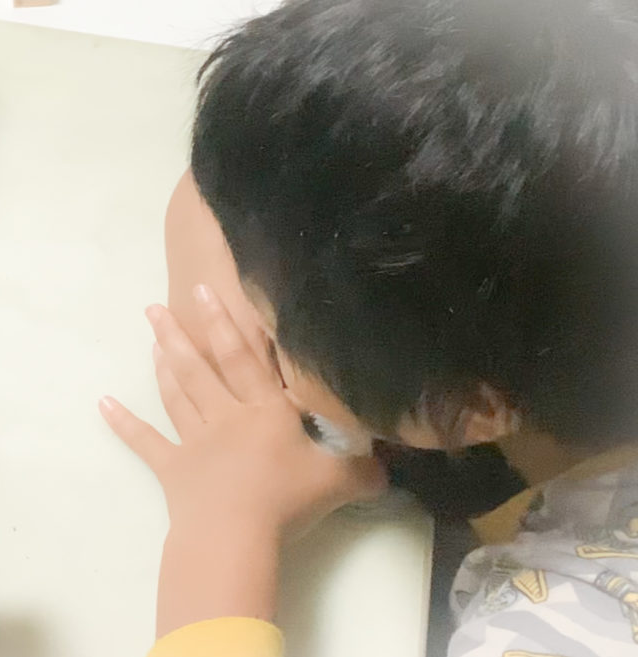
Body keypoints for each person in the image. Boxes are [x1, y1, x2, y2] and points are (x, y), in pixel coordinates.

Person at [99, 0, 638, 655]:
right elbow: (304, 153)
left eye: (275, 331)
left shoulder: (567, 624)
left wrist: (226, 525)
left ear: (469, 411)